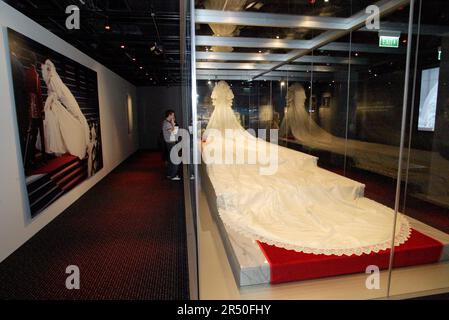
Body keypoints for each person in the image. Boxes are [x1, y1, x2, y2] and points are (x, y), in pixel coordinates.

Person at [162, 109, 180, 180]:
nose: (174, 116)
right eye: (173, 115)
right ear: (169, 115)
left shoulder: (166, 122)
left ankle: (170, 174)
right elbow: (174, 133)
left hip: (170, 143)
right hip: (170, 143)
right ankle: (173, 175)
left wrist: (173, 124)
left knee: (171, 159)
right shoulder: (167, 123)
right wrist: (173, 124)